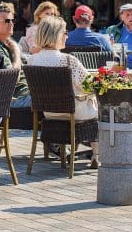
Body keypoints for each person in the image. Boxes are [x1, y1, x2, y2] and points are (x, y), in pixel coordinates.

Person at [26, 16, 99, 168]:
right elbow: (89, 86)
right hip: (74, 112)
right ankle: (97, 155)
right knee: (101, 105)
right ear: (56, 34)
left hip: (48, 113)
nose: (67, 36)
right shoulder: (68, 60)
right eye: (65, 32)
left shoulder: (32, 60)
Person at [0, 2, 23, 68]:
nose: (11, 24)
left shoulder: (8, 43)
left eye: (13, 21)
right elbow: (12, 75)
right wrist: (16, 52)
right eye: (7, 21)